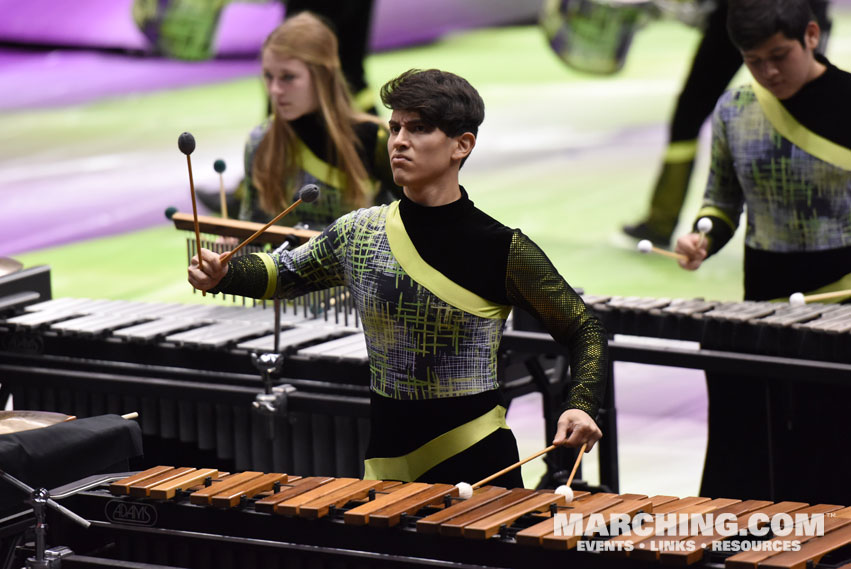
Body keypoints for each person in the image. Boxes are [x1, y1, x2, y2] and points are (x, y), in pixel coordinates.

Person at [188, 68, 608, 488]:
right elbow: (284, 273)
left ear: (462, 145)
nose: (399, 141)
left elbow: (583, 327)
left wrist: (582, 403)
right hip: (383, 465)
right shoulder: (360, 232)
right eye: (394, 128)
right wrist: (223, 273)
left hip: (476, 461)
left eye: (419, 128)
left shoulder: (502, 248)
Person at [674, 0, 851, 502]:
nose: (769, 72)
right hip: (764, 303)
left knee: (833, 440)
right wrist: (703, 234)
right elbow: (722, 199)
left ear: (811, 36)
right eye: (754, 61)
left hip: (843, 303)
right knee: (759, 439)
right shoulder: (734, 109)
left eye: (780, 55)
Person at [622, 0, 831, 247]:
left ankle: (812, 225)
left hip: (789, 19)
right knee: (690, 112)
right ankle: (661, 219)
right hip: (744, 17)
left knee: (806, 116)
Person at [238, 12, 399, 230]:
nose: (274, 90)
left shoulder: (376, 138)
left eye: (288, 77)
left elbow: (416, 222)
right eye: (268, 76)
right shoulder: (260, 141)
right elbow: (251, 233)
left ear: (322, 76)